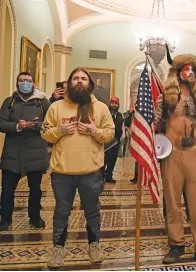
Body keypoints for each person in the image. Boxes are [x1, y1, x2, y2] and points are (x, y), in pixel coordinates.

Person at [154, 44, 196, 268]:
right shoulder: (165, 98)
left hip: (194, 153)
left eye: (194, 69)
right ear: (178, 72)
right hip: (171, 154)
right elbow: (154, 124)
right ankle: (176, 245)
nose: (191, 72)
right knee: (172, 203)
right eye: (187, 69)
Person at [41, 67, 115, 268]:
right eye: (75, 78)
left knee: (92, 210)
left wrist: (94, 131)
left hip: (91, 172)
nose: (79, 81)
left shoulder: (100, 108)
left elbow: (109, 133)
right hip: (62, 173)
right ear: (69, 82)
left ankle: (94, 245)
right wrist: (60, 130)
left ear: (90, 84)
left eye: (83, 78)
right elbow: (45, 132)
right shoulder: (56, 107)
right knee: (61, 211)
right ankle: (58, 248)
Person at [0, 72, 51, 231]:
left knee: (35, 189)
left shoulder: (44, 103)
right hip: (12, 153)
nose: (25, 83)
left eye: (28, 81)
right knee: (7, 189)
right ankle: (5, 219)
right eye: (22, 81)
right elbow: (1, 123)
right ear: (17, 83)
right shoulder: (10, 102)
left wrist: (36, 125)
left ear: (33, 83)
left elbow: (50, 125)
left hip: (36, 154)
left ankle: (35, 218)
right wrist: (17, 127)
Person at [103, 96, 124, 183]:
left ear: (118, 105)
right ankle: (101, 177)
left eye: (115, 103)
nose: (114, 105)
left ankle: (109, 176)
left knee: (112, 160)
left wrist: (121, 139)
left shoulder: (120, 115)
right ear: (110, 104)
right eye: (112, 103)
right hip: (106, 142)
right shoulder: (105, 114)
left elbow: (122, 128)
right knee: (104, 160)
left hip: (116, 142)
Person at [124, 105, 138, 183]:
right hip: (134, 138)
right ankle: (136, 176)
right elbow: (127, 122)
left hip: (141, 139)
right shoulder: (132, 114)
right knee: (137, 160)